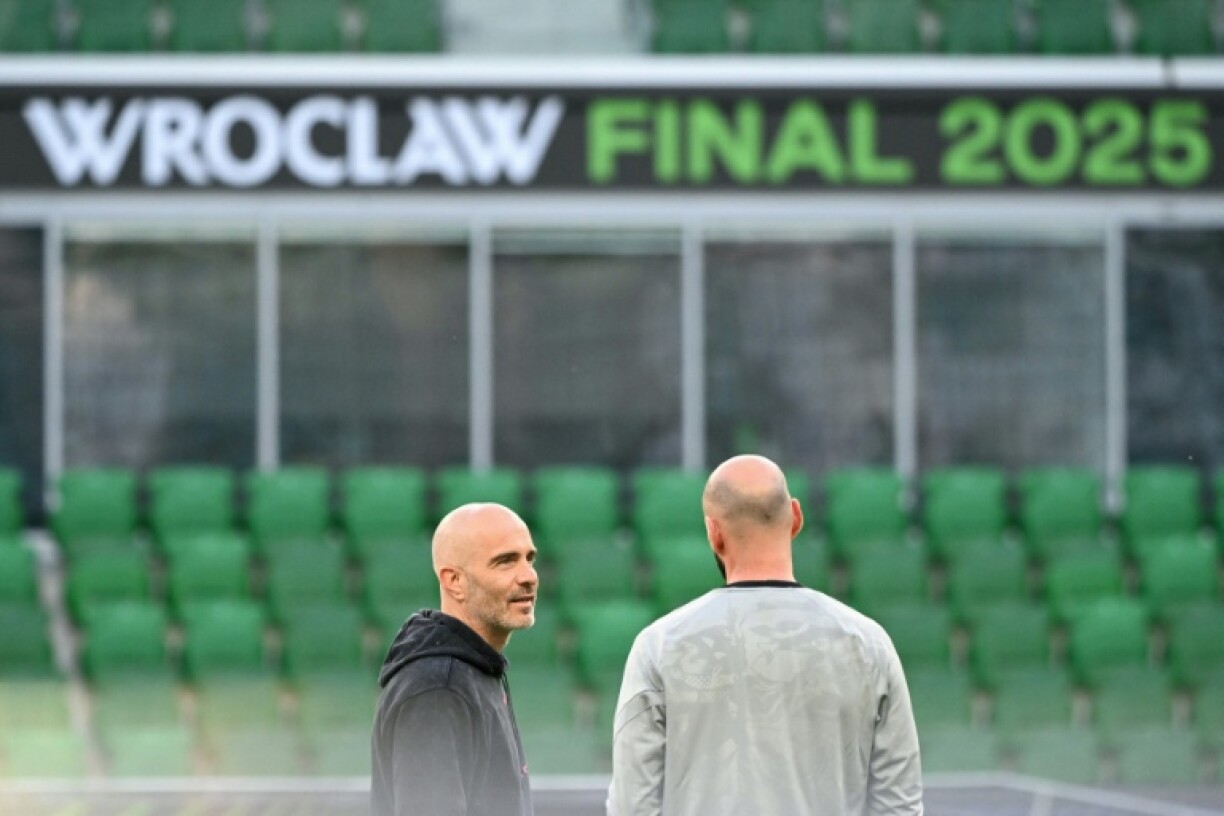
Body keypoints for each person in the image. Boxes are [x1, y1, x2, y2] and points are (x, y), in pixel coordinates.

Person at [607, 455, 923, 816]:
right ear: (797, 518)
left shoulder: (660, 647)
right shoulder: (868, 644)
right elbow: (898, 807)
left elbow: (633, 807)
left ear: (714, 533)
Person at [372, 502, 538, 816]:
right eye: (505, 561)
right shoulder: (437, 688)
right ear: (454, 581)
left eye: (529, 559)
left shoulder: (476, 670)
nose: (528, 576)